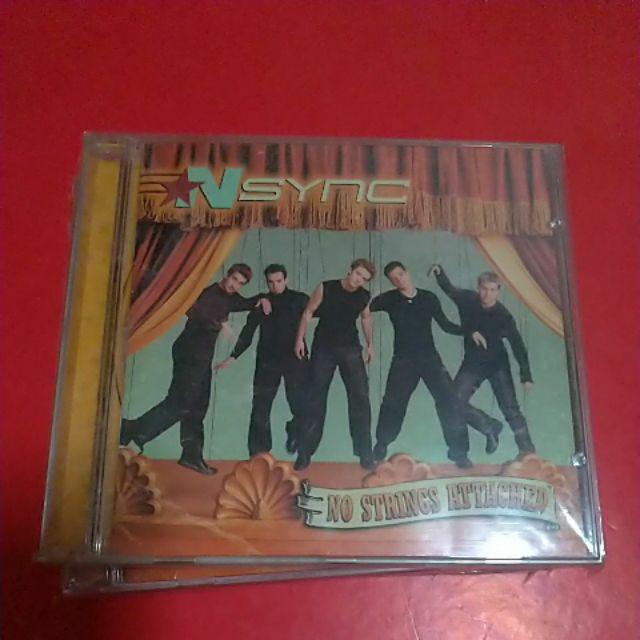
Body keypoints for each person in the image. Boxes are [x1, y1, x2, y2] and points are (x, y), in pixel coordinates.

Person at [119, 263, 270, 475]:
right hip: (188, 354)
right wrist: (221, 323)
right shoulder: (208, 293)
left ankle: (191, 455)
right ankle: (130, 430)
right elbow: (194, 311)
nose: (234, 285)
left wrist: (262, 298)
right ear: (227, 275)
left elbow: (244, 303)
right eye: (234, 279)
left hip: (201, 359)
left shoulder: (230, 297)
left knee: (199, 405)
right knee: (179, 403)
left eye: (240, 283)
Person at [370, 262, 476, 468]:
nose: (399, 279)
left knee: (449, 401)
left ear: (407, 273)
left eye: (400, 274)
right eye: (393, 278)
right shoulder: (389, 299)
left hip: (430, 359)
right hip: (403, 361)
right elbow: (363, 306)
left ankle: (459, 453)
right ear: (391, 282)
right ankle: (381, 444)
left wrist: (469, 331)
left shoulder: (428, 298)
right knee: (393, 403)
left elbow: (445, 325)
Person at [431, 264, 535, 457]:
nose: (488, 294)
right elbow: (449, 289)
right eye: (484, 289)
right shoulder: (467, 299)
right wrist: (439, 272)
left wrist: (526, 375)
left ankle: (527, 451)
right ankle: (488, 425)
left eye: (492, 290)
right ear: (478, 288)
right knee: (452, 400)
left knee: (510, 408)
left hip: (497, 364)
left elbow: (518, 345)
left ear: (498, 292)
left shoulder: (504, 316)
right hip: (473, 363)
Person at [215, 264, 310, 457]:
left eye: (279, 281)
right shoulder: (262, 303)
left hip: (295, 358)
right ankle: (258, 454)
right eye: (270, 282)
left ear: (286, 280)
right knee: (261, 405)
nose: (275, 286)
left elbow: (320, 312)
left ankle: (295, 432)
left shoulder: (300, 299)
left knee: (300, 404)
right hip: (268, 360)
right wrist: (233, 356)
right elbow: (248, 332)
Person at [293, 258, 376, 470]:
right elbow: (308, 312)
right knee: (315, 397)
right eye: (358, 274)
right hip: (324, 347)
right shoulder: (326, 287)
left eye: (364, 278)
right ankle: (305, 452)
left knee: (360, 397)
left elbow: (366, 318)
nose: (359, 280)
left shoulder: (364, 296)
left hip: (350, 348)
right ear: (350, 270)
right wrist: (299, 339)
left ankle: (365, 453)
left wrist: (370, 344)